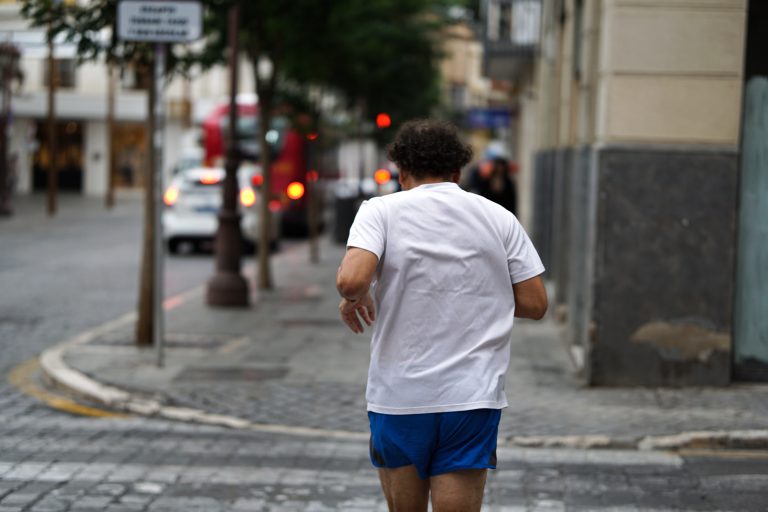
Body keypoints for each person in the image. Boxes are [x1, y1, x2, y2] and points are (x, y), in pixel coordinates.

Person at [336, 119, 548, 511]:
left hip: (399, 397)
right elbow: (535, 303)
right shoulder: (498, 217)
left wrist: (358, 293)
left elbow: (351, 281)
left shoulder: (380, 211)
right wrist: (479, 293)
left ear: (402, 173)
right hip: (472, 397)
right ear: (457, 171)